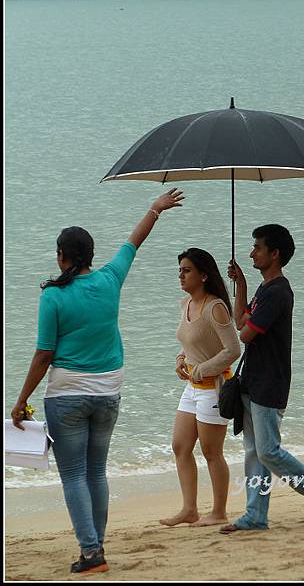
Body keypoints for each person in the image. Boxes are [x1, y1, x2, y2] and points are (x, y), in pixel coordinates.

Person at [10, 188, 184, 574]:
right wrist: (154, 208)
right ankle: (96, 546)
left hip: (68, 397)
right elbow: (133, 243)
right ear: (89, 255)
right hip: (108, 394)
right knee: (96, 472)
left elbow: (43, 355)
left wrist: (21, 399)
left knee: (73, 475)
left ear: (61, 256)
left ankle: (91, 553)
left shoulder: (53, 297)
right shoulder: (110, 279)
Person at [220, 224, 304, 534]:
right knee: (254, 452)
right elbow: (240, 319)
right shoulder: (265, 288)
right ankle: (255, 516)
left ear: (275, 254)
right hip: (253, 380)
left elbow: (245, 333)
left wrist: (244, 325)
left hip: (269, 382)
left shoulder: (278, 292)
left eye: (257, 248)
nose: (252, 253)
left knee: (268, 450)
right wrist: (242, 283)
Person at [159, 248, 241, 528]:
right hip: (192, 389)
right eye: (180, 269)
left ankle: (219, 511)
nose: (181, 275)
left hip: (213, 388)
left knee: (211, 451)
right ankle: (189, 509)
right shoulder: (186, 304)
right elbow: (188, 342)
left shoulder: (215, 306)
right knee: (180, 446)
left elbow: (233, 350)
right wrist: (181, 359)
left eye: (187, 270)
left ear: (204, 275)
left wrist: (201, 369)